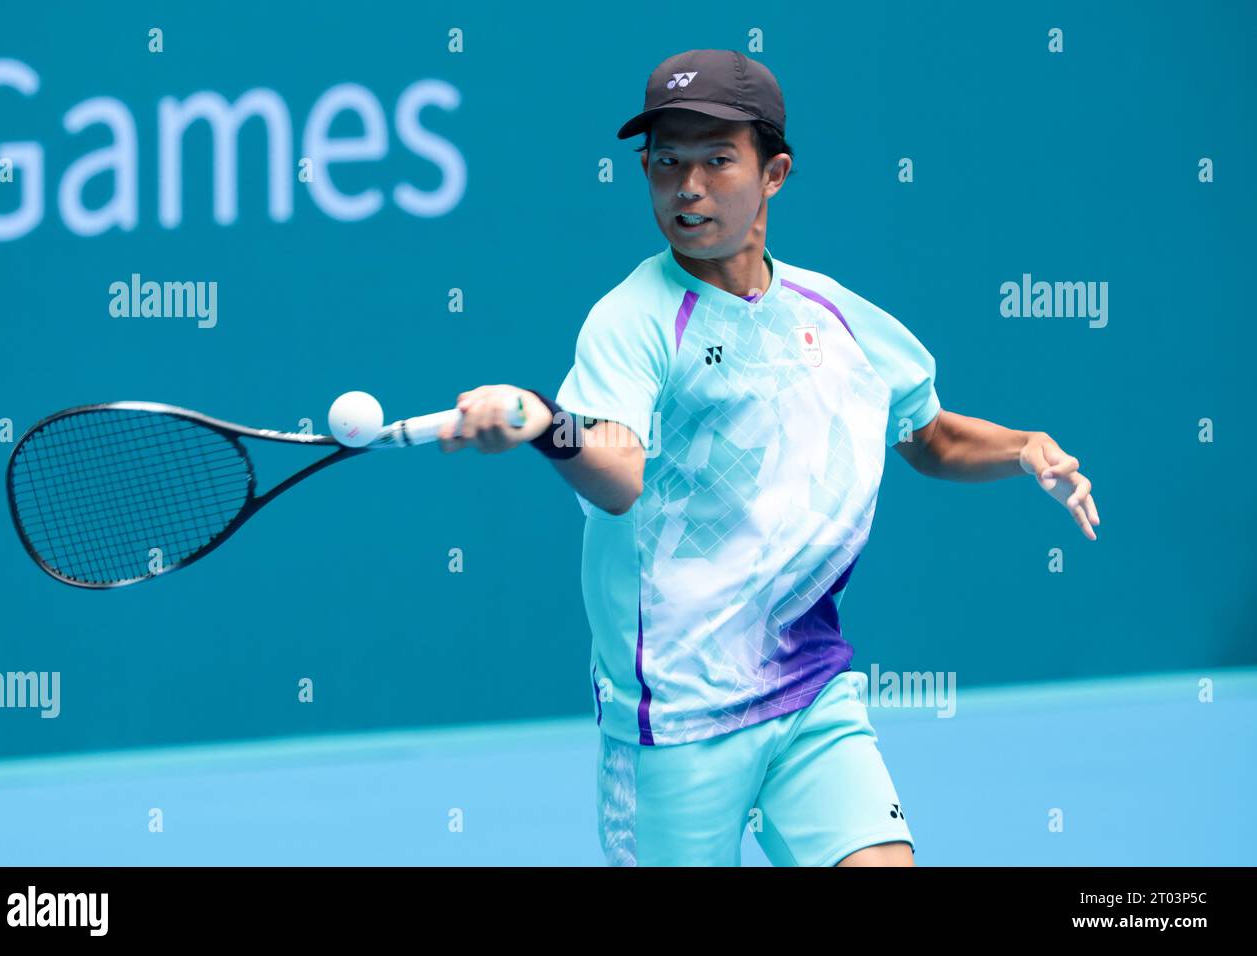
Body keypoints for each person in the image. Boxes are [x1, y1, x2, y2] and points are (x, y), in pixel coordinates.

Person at [438, 49, 1099, 866]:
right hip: (672, 725)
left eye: (717, 161)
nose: (688, 187)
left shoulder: (837, 316)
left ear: (774, 173)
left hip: (811, 693)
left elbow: (928, 435)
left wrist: (1025, 447)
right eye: (667, 163)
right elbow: (616, 473)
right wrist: (548, 426)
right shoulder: (630, 321)